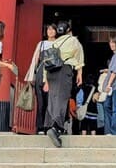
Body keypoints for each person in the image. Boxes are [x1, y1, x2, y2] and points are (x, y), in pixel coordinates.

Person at [44, 19, 84, 148]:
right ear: (69, 31)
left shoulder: (55, 43)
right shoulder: (74, 41)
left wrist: (45, 80)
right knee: (62, 99)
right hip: (64, 70)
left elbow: (47, 61)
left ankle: (50, 125)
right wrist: (79, 74)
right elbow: (79, 59)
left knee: (53, 99)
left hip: (51, 72)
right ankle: (56, 128)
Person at [24, 22, 57, 134]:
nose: (50, 31)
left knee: (51, 101)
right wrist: (31, 75)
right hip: (40, 73)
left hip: (53, 74)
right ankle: (40, 126)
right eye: (48, 29)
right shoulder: (42, 44)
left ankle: (50, 126)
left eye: (52, 29)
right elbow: (35, 59)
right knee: (41, 101)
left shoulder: (58, 43)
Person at [102, 37, 116, 135]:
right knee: (107, 106)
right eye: (110, 43)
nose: (111, 44)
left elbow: (115, 71)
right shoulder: (114, 56)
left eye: (113, 43)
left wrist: (109, 85)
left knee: (115, 108)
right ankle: (109, 130)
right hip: (113, 87)